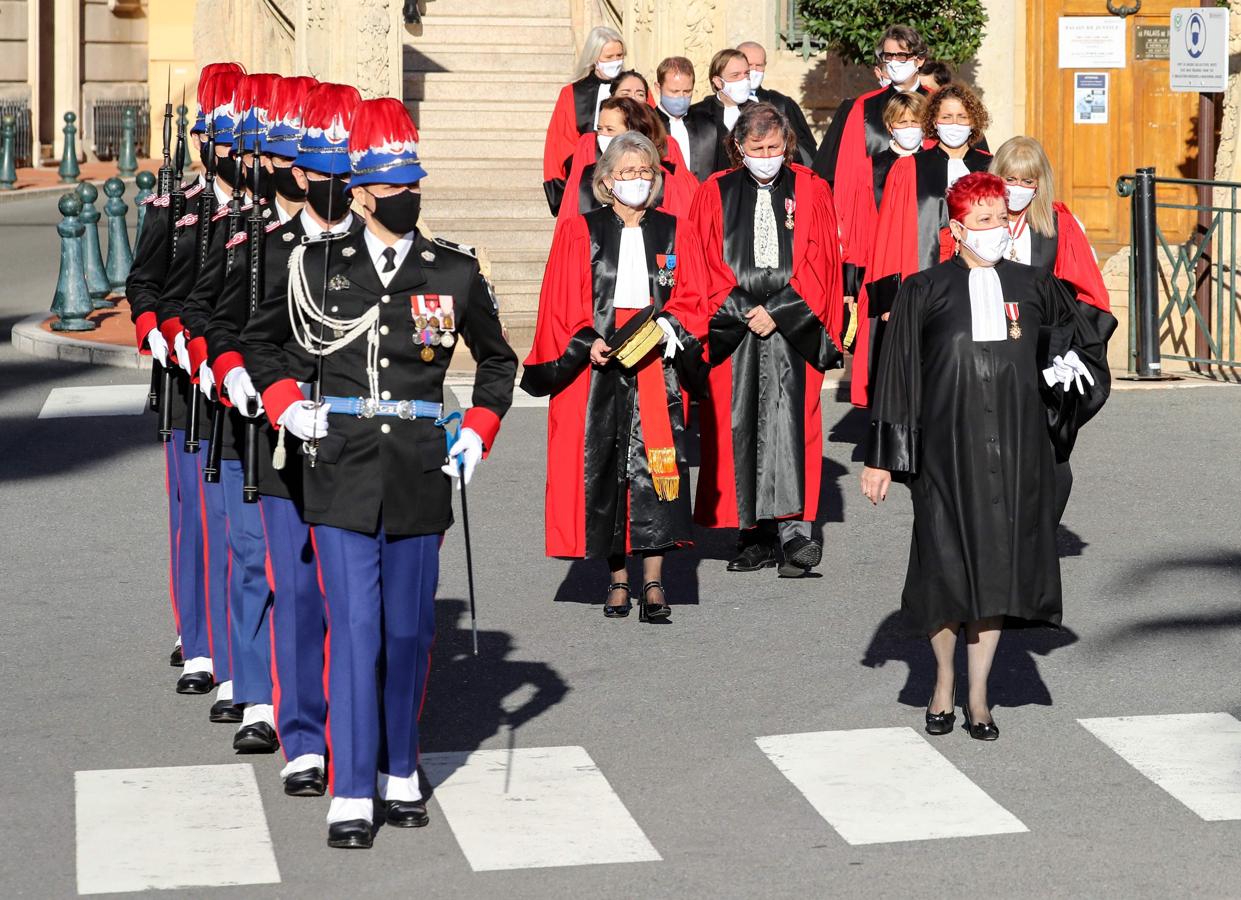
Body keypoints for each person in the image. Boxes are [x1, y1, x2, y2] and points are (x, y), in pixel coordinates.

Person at [246, 97, 517, 849]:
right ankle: (353, 787)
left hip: (419, 468)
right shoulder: (314, 266)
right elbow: (262, 344)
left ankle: (402, 767)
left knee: (407, 633)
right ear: (361, 192)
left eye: (413, 183)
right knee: (355, 627)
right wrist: (284, 405)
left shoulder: (453, 271)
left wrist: (479, 435)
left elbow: (499, 363)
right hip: (339, 465)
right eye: (393, 185)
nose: (408, 195)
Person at [860, 172, 1110, 740]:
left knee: (996, 573)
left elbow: (1080, 344)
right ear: (957, 228)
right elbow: (897, 376)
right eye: (984, 220)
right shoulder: (923, 289)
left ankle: (979, 696)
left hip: (1017, 450)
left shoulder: (1036, 284)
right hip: (946, 455)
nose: (997, 228)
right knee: (946, 570)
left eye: (1002, 217)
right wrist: (881, 458)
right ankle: (942, 681)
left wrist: (1068, 373)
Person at [235, 81, 363, 795]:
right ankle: (304, 739)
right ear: (301, 174)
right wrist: (279, 401)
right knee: (301, 595)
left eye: (349, 173)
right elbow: (249, 335)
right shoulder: (271, 249)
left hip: (359, 446)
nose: (337, 184)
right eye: (326, 172)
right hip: (287, 442)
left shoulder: (383, 254)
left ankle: (355, 729)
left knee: (355, 601)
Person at [522, 132, 707, 620]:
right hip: (597, 364)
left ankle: (654, 582)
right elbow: (560, 304)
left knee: (655, 468)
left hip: (654, 365)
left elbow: (694, 295)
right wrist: (586, 340)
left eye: (646, 172)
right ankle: (617, 580)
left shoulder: (675, 230)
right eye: (627, 173)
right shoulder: (579, 231)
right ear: (605, 180)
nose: (637, 181)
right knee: (605, 468)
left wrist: (671, 325)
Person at [176, 71, 285, 745]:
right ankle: (225, 661)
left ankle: (283, 683)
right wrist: (185, 344)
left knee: (288, 563)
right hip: (223, 401)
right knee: (228, 538)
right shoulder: (210, 220)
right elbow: (181, 297)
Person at [689, 103, 844, 577]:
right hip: (733, 326)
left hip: (791, 326)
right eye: (756, 149)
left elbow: (821, 260)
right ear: (739, 148)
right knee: (736, 424)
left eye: (775, 147)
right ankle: (751, 533)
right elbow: (701, 258)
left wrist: (777, 311)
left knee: (792, 423)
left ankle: (794, 532)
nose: (767, 156)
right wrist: (741, 309)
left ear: (786, 145)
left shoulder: (813, 190)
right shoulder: (714, 191)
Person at [128, 61, 245, 675]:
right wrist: (165, 338)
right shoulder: (177, 205)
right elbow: (143, 285)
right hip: (187, 390)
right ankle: (197, 639)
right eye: (219, 137)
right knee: (195, 520)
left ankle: (240, 638)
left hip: (242, 380)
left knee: (242, 526)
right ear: (204, 143)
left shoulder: (259, 214)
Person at [984, 136, 1117, 518]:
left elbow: (1090, 295)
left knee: (1049, 457)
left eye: (1028, 181)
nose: (1019, 189)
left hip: (1040, 353)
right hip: (985, 347)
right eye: (1010, 178)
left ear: (1040, 184)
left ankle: (1036, 532)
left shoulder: (1058, 226)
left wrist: (1075, 348)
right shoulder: (974, 218)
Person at [851, 81, 992, 407]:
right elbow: (889, 235)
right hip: (925, 278)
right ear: (933, 121)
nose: (954, 124)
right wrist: (888, 301)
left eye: (961, 116)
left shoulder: (990, 166)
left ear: (974, 121)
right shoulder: (908, 168)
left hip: (978, 281)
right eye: (946, 116)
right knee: (926, 370)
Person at [834, 91, 928, 319]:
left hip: (926, 262)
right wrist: (851, 284)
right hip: (879, 267)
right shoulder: (870, 168)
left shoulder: (934, 165)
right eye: (902, 122)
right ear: (889, 125)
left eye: (915, 122)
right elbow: (858, 229)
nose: (909, 128)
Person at [812, 24, 929, 196]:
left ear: (919, 60)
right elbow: (847, 172)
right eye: (889, 56)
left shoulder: (940, 105)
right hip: (874, 210)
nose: (894, 62)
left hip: (927, 208)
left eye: (902, 56)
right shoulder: (863, 107)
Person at [558, 96, 697, 221]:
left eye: (610, 130)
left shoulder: (667, 181)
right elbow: (566, 232)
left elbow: (677, 235)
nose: (602, 136)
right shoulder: (583, 178)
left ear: (632, 131)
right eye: (599, 129)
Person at [543, 26, 625, 215]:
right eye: (609, 57)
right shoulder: (572, 94)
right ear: (594, 58)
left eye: (619, 55)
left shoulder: (633, 87)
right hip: (585, 182)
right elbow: (558, 145)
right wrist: (560, 193)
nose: (615, 61)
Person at [736, 41, 816, 167]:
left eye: (759, 65)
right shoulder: (718, 106)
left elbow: (805, 149)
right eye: (749, 65)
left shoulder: (781, 104)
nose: (754, 70)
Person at [684, 48, 753, 183]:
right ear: (718, 81)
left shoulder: (759, 112)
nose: (744, 80)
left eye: (746, 74)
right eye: (735, 75)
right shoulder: (696, 114)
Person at [654, 56, 715, 177]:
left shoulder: (709, 124)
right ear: (658, 88)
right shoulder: (648, 124)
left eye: (687, 91)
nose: (681, 97)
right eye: (674, 91)